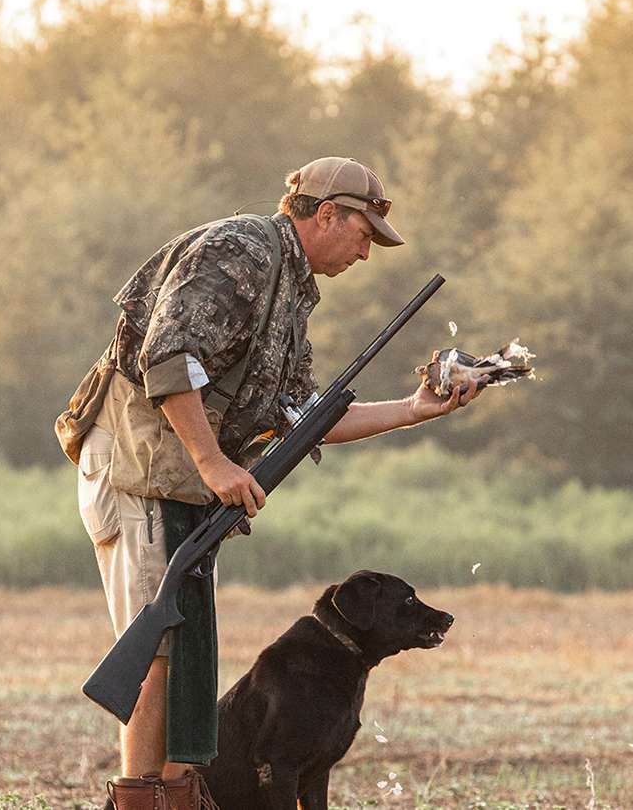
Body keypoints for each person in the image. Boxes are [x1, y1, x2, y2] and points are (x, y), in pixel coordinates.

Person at [55, 156, 483, 807]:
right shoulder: (242, 250)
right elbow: (167, 356)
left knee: (185, 651)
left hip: (185, 483)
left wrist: (416, 409)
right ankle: (143, 799)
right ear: (326, 213)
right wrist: (215, 462)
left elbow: (301, 417)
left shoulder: (289, 288)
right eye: (363, 234)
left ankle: (177, 791)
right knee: (160, 651)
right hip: (141, 468)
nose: (367, 253)